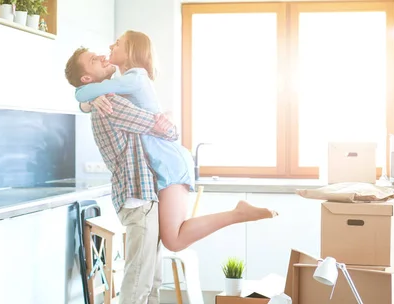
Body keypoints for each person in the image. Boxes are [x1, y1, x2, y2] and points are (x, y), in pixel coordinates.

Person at [71, 31, 278, 253]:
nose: (111, 45)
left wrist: (90, 98)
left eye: (118, 43)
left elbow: (86, 92)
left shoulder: (134, 78)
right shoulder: (124, 83)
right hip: (161, 164)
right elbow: (84, 95)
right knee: (171, 239)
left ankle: (238, 213)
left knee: (174, 240)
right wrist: (89, 101)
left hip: (168, 162)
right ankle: (238, 213)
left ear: (131, 51)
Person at [65, 51, 171, 304]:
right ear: (88, 77)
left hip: (143, 196)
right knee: (138, 280)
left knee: (150, 280)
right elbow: (164, 129)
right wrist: (170, 122)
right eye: (93, 59)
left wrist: (86, 102)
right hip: (138, 196)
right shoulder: (110, 103)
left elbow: (82, 98)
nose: (103, 56)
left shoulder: (103, 99)